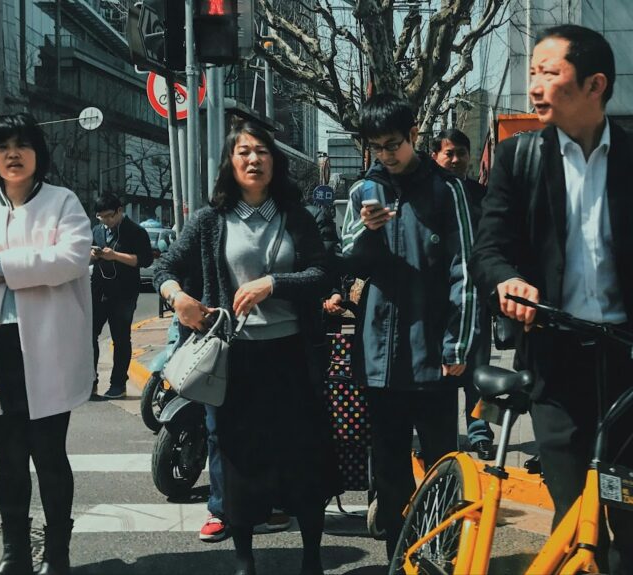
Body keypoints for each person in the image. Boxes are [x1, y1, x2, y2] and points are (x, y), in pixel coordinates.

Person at [470, 25, 633, 574]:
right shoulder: (518, 159)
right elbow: (489, 249)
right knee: (576, 527)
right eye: (531, 72)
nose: (534, 85)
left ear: (595, 85)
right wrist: (506, 281)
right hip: (556, 367)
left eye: (548, 72)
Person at [154, 120, 340, 575]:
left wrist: (271, 284)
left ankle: (312, 557)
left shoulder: (297, 215)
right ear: (230, 162)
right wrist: (177, 297)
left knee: (301, 456)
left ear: (274, 162)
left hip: (292, 357)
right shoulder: (210, 219)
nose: (253, 159)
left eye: (262, 152)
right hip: (234, 361)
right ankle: (244, 559)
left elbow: (323, 274)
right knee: (237, 460)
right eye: (243, 152)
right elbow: (164, 265)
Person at [340, 93, 477, 559]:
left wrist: (458, 344)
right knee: (391, 468)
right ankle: (400, 556)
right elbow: (347, 260)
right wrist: (366, 229)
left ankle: (442, 552)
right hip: (378, 354)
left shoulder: (447, 189)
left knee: (442, 463)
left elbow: (465, 270)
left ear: (415, 134)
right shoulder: (364, 190)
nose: (386, 154)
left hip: (434, 353)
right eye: (376, 146)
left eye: (393, 144)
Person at [0, 112, 94, 575]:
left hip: (48, 348)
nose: (12, 155)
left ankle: (57, 555)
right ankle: (15, 553)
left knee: (50, 456)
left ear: (38, 153)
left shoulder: (62, 201)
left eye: (21, 145)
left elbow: (73, 258)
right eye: (1, 147)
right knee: (8, 460)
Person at [431, 127, 496, 460]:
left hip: (475, 299)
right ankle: (442, 437)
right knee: (441, 373)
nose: (456, 159)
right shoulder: (427, 194)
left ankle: (480, 432)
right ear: (434, 156)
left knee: (478, 372)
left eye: (461, 153)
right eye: (448, 153)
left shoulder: (480, 194)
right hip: (436, 301)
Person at [89, 193, 152, 399]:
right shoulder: (97, 231)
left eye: (109, 216)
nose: (106, 221)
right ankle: (90, 380)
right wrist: (91, 255)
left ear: (119, 211)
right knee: (89, 336)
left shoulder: (135, 232)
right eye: (101, 217)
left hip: (124, 293)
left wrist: (115, 256)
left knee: (121, 338)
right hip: (98, 290)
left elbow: (144, 260)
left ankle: (118, 384)